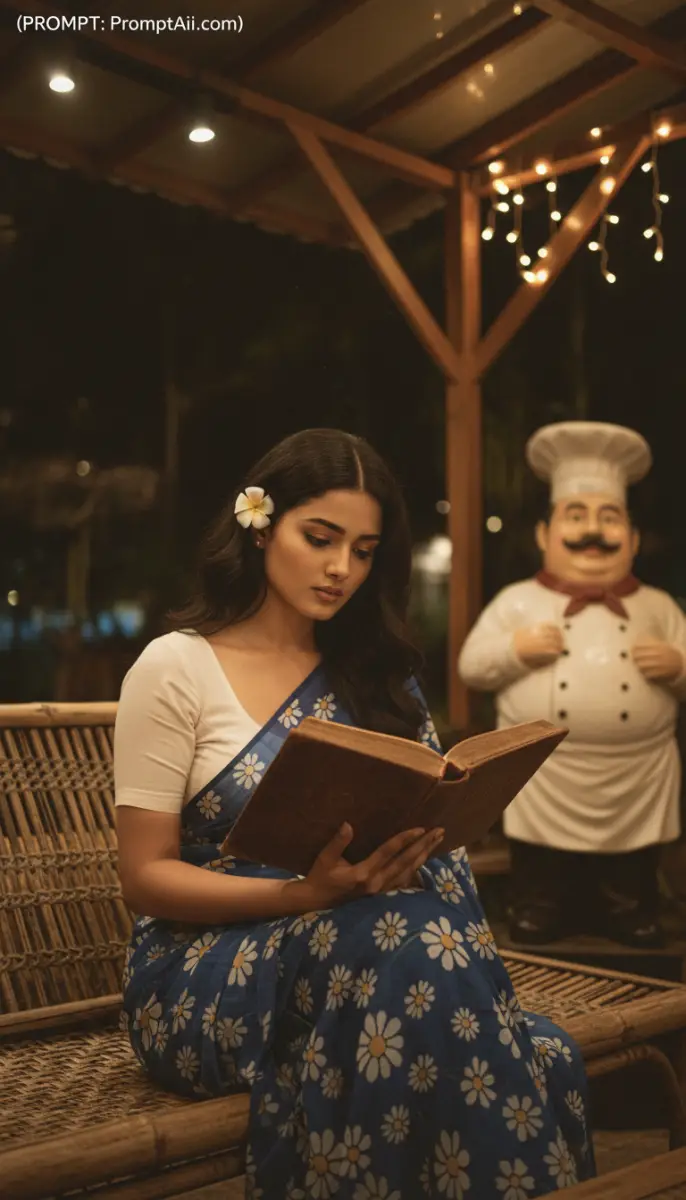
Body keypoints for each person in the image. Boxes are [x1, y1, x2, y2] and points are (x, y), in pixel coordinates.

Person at [115, 428, 594, 1199]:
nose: (342, 569)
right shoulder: (177, 669)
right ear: (260, 523)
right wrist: (303, 895)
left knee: (543, 1046)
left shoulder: (379, 681)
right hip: (204, 975)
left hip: (386, 955)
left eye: (364, 550)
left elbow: (438, 858)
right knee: (423, 957)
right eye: (321, 537)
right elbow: (144, 878)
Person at [459, 421, 686, 949]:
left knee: (630, 860)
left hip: (638, 769)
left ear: (632, 538)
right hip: (543, 772)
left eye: (610, 519)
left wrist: (677, 665)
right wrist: (516, 651)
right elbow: (473, 665)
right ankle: (540, 906)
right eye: (576, 516)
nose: (593, 531)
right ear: (544, 535)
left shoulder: (658, 606)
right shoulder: (518, 600)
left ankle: (629, 908)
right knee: (541, 861)